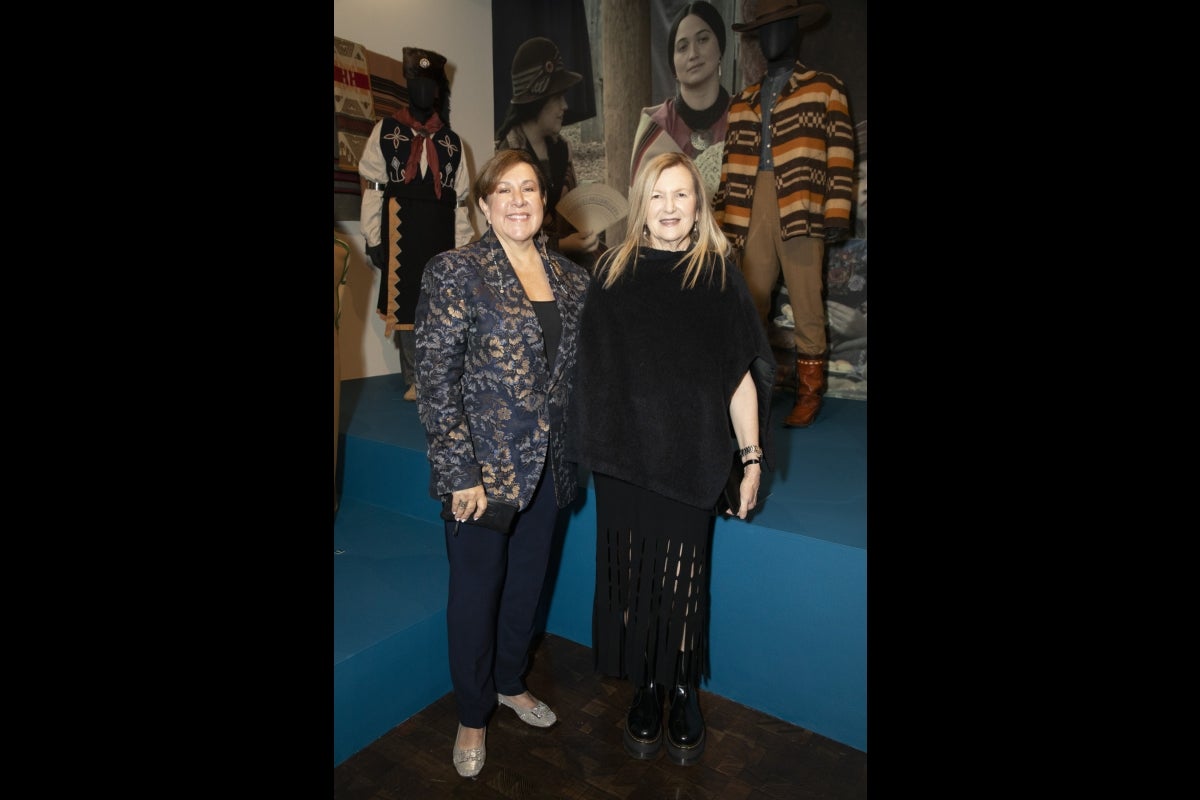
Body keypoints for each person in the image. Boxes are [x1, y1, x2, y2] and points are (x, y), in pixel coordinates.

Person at [566, 152, 776, 767]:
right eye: (657, 195)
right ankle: (646, 684)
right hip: (626, 459)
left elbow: (740, 376)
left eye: (681, 195)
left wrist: (752, 457)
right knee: (632, 578)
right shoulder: (612, 270)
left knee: (683, 583)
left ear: (699, 203)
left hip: (690, 458)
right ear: (641, 203)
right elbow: (592, 369)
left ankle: (682, 685)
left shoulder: (719, 275)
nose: (669, 207)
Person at [413, 148, 592, 779]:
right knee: (474, 593)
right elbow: (435, 379)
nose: (518, 200)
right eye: (504, 190)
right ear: (484, 204)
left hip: (550, 466)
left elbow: (582, 376)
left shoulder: (573, 281)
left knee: (526, 584)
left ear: (546, 202)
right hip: (483, 475)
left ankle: (511, 682)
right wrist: (459, 470)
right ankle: (470, 713)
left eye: (530, 189)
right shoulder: (455, 271)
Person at [713, 0, 855, 427]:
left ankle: (810, 392)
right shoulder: (742, 102)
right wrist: (721, 218)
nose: (771, 38)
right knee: (751, 303)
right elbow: (729, 164)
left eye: (779, 28)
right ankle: (756, 385)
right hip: (749, 205)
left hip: (802, 205)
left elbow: (840, 153)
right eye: (763, 31)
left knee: (807, 300)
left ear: (795, 31)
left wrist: (836, 211)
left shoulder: (825, 88)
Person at [360, 47, 474, 402]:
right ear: (408, 86)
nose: (424, 91)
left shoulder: (453, 142)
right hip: (401, 229)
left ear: (438, 90)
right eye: (417, 83)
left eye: (430, 85)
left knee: (440, 305)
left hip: (440, 232)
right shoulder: (386, 130)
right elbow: (374, 186)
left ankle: (438, 376)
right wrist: (373, 235)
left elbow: (460, 201)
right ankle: (413, 377)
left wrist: (464, 246)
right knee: (406, 302)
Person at [495, 36, 602, 271]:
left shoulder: (562, 149)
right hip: (522, 271)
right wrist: (562, 245)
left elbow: (573, 211)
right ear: (537, 102)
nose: (564, 106)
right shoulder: (507, 155)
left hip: (566, 270)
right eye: (557, 98)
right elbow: (505, 233)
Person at [629, 1, 731, 203]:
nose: (693, 54)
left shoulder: (743, 115)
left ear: (720, 47)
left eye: (703, 40)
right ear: (673, 64)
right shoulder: (656, 125)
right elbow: (642, 207)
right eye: (682, 47)